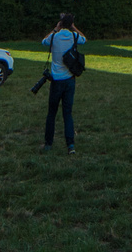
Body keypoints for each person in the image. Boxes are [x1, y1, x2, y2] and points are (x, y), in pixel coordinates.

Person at [40, 13, 85, 155]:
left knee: (51, 113)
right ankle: (70, 145)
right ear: (71, 24)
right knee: (68, 113)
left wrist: (55, 29)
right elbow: (84, 39)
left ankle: (48, 143)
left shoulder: (54, 37)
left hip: (56, 80)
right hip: (70, 80)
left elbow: (43, 42)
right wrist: (74, 27)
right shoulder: (73, 36)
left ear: (60, 23)